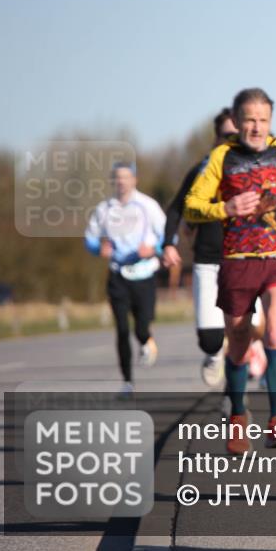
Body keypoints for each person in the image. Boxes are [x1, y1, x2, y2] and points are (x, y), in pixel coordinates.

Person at [185, 87, 276, 454]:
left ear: (271, 121)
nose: (257, 128)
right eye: (250, 121)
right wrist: (225, 208)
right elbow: (191, 206)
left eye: (263, 121)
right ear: (237, 120)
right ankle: (239, 415)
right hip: (237, 260)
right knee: (240, 343)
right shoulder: (221, 157)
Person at [162, 109, 239, 387]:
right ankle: (215, 354)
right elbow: (175, 209)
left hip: (245, 261)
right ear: (216, 138)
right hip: (209, 261)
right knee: (211, 339)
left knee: (248, 333)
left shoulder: (256, 169)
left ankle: (234, 402)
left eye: (237, 135)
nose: (232, 140)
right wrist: (168, 244)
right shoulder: (201, 170)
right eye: (226, 135)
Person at [84, 161, 166, 396]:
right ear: (113, 182)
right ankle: (128, 382)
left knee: (141, 326)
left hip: (144, 272)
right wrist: (98, 249)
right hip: (118, 274)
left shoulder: (148, 206)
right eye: (117, 178)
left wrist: (152, 250)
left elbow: (167, 238)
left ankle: (146, 338)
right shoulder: (104, 209)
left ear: (134, 180)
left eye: (125, 177)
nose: (121, 182)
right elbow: (89, 238)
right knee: (121, 329)